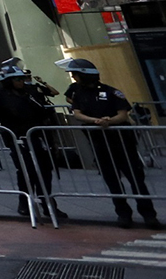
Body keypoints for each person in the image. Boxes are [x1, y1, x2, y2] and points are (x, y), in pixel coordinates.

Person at [61, 58, 159, 229]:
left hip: (121, 140)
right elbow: (77, 113)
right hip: (99, 142)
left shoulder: (112, 92)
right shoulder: (79, 94)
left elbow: (123, 114)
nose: (74, 78)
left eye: (75, 75)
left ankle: (148, 214)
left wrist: (109, 121)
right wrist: (95, 121)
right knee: (112, 180)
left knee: (136, 178)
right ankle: (123, 214)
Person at [0, 61, 65, 220]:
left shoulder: (31, 90)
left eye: (22, 78)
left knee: (45, 169)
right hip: (17, 137)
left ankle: (48, 203)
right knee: (27, 170)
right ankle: (24, 202)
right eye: (17, 79)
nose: (21, 81)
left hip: (39, 135)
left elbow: (48, 100)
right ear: (8, 80)